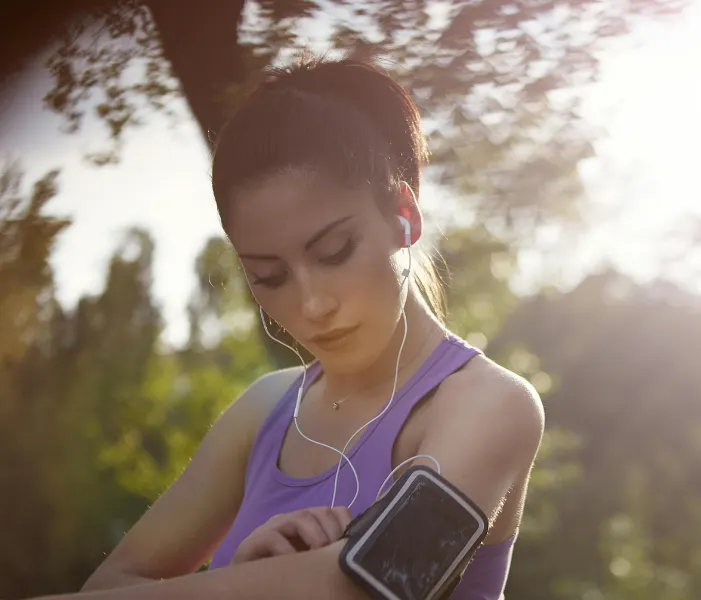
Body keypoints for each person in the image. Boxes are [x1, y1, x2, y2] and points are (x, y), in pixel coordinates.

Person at [43, 56, 544, 600]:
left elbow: (379, 579)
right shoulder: (264, 410)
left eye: (334, 252)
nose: (311, 305)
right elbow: (111, 583)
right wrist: (251, 567)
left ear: (405, 214)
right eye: (268, 276)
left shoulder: (490, 404)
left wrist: (243, 579)